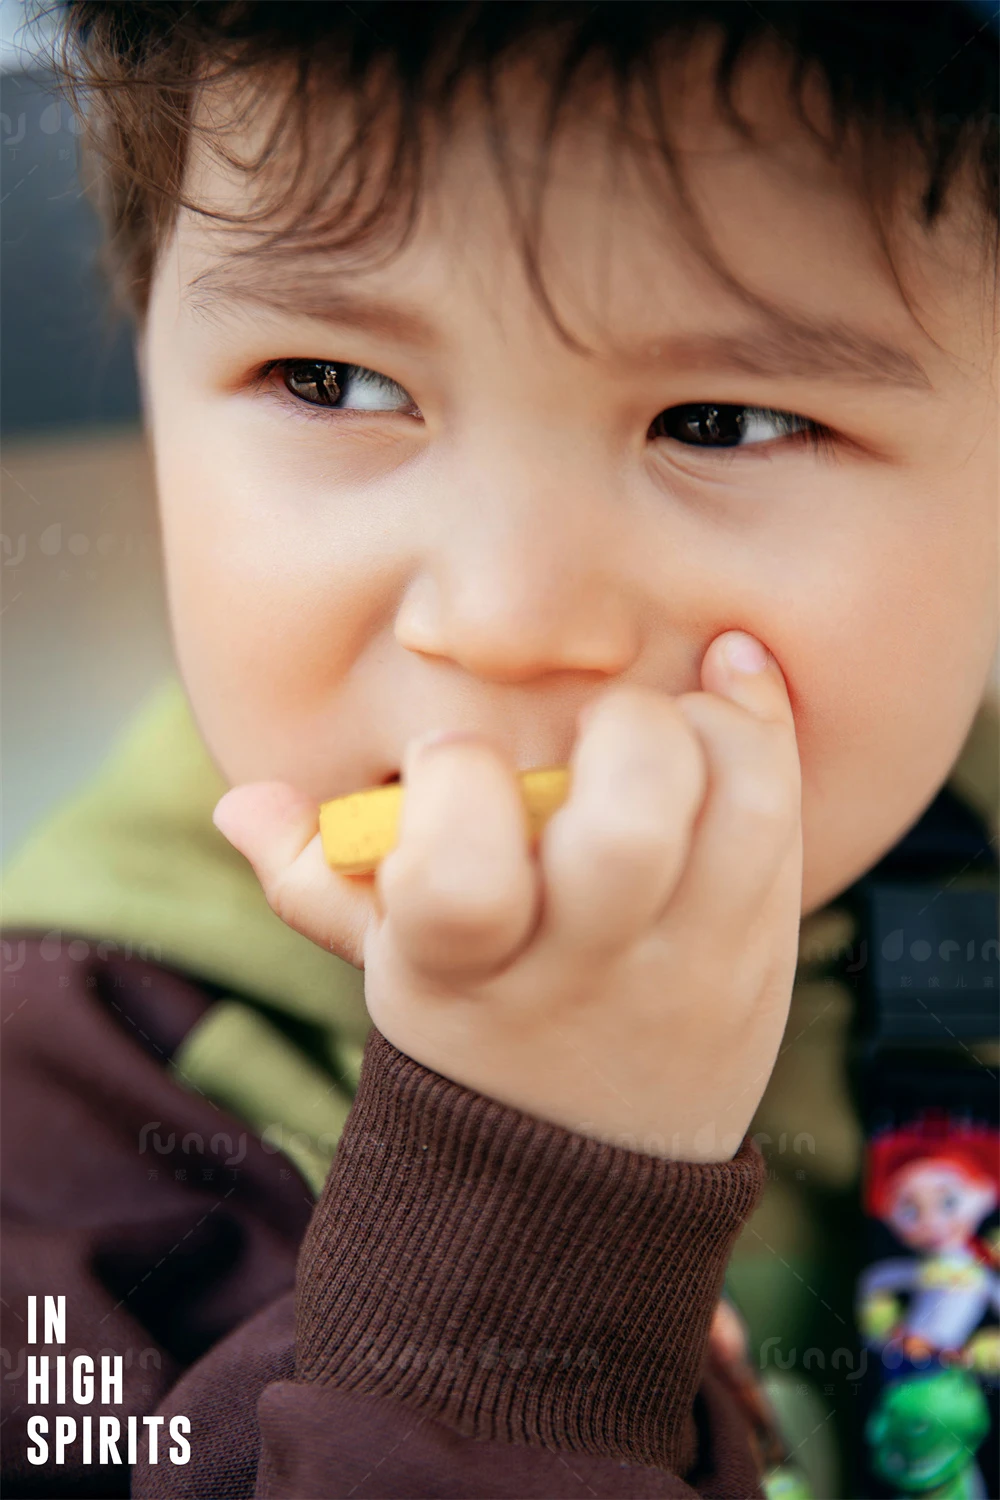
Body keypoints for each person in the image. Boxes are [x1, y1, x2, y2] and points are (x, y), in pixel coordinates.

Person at [1, 3, 997, 1496]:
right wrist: (526, 1228)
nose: (507, 618)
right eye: (334, 382)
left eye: (720, 419)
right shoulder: (54, 1127)